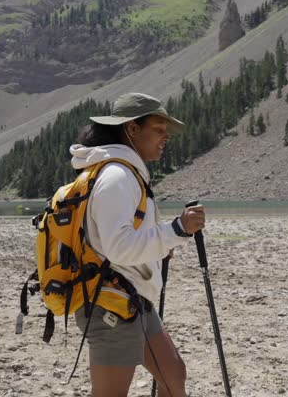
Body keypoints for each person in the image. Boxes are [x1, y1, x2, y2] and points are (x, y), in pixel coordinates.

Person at [70, 92, 205, 397]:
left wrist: (159, 245)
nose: (165, 137)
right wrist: (177, 229)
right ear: (132, 128)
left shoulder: (123, 172)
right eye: (158, 129)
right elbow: (119, 247)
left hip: (131, 297)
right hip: (110, 303)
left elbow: (120, 241)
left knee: (173, 374)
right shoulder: (116, 176)